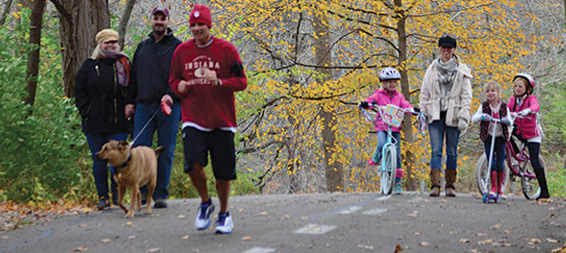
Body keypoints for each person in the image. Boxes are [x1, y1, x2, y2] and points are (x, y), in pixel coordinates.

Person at [169, 4, 248, 234]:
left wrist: (220, 82)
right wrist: (178, 87)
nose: (196, 29)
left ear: (209, 25)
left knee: (223, 172)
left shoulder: (227, 50)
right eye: (192, 26)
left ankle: (224, 214)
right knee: (192, 163)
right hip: (193, 117)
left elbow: (241, 82)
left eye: (200, 25)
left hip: (222, 119)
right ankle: (205, 203)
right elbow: (173, 80)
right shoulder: (182, 51)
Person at [125, 6, 182, 208]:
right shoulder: (142, 47)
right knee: (139, 150)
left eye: (162, 19)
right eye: (156, 18)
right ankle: (140, 193)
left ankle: (160, 195)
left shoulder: (177, 47)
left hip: (169, 108)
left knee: (166, 151)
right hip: (143, 107)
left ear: (168, 22)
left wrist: (171, 95)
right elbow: (133, 79)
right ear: (151, 20)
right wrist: (130, 102)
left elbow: (182, 78)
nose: (159, 22)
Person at [75, 29, 131, 210]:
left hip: (118, 121)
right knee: (99, 159)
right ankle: (102, 197)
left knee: (119, 160)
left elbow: (132, 88)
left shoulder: (124, 64)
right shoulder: (90, 66)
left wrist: (130, 106)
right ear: (100, 45)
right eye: (107, 42)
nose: (111, 45)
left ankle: (117, 194)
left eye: (114, 42)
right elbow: (79, 91)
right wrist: (87, 111)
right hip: (94, 122)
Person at [419, 35, 472, 197]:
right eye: (443, 48)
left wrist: (464, 114)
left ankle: (450, 185)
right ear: (440, 49)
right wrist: (422, 111)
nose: (446, 51)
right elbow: (425, 92)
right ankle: (435, 185)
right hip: (434, 113)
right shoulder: (432, 69)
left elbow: (466, 95)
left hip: (453, 113)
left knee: (452, 150)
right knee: (435, 150)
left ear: (453, 50)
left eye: (449, 48)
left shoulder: (462, 70)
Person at [358, 67, 413, 194]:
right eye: (389, 82)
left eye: (394, 82)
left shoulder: (399, 96)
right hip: (382, 125)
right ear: (383, 83)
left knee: (397, 155)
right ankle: (377, 156)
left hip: (394, 127)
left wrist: (411, 109)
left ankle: (397, 183)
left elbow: (405, 104)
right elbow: (371, 100)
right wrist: (365, 103)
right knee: (382, 144)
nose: (392, 84)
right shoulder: (379, 94)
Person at [507, 73, 549, 200]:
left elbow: (536, 106)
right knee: (504, 132)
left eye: (521, 86)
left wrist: (529, 110)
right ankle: (514, 152)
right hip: (520, 130)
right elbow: (507, 109)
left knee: (534, 160)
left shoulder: (531, 99)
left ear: (527, 89)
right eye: (516, 86)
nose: (518, 88)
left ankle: (544, 190)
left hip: (532, 133)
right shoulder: (513, 100)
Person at [471, 82, 511, 200]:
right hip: (488, 137)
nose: (490, 93)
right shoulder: (484, 106)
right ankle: (493, 187)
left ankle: (499, 188)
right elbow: (474, 119)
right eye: (488, 91)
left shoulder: (504, 107)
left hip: (501, 137)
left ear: (498, 93)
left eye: (493, 91)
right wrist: (482, 117)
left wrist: (506, 121)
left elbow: (510, 120)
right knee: (491, 162)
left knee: (500, 162)